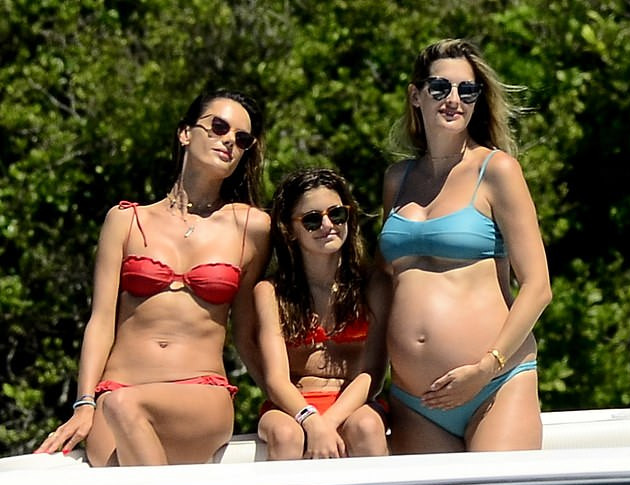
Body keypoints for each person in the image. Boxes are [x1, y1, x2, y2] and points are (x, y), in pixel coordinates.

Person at [34, 89, 271, 465]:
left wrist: (290, 403)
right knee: (121, 411)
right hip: (117, 388)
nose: (229, 141)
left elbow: (247, 333)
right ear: (185, 133)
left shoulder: (251, 227)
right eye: (218, 127)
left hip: (199, 395)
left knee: (127, 408)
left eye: (242, 139)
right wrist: (84, 403)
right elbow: (101, 321)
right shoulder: (126, 220)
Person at [378, 38, 551, 453]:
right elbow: (384, 282)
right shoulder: (396, 179)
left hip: (494, 384)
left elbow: (538, 287)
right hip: (415, 399)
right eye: (440, 87)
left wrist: (487, 366)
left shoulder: (497, 170)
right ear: (416, 95)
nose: (453, 100)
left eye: (467, 90)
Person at [255, 168, 390, 460]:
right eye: (312, 220)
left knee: (367, 427)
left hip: (353, 404)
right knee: (285, 434)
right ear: (290, 229)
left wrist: (328, 424)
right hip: (293, 407)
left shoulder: (372, 284)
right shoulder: (271, 291)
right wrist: (311, 420)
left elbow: (373, 372)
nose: (327, 225)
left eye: (337, 214)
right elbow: (276, 380)